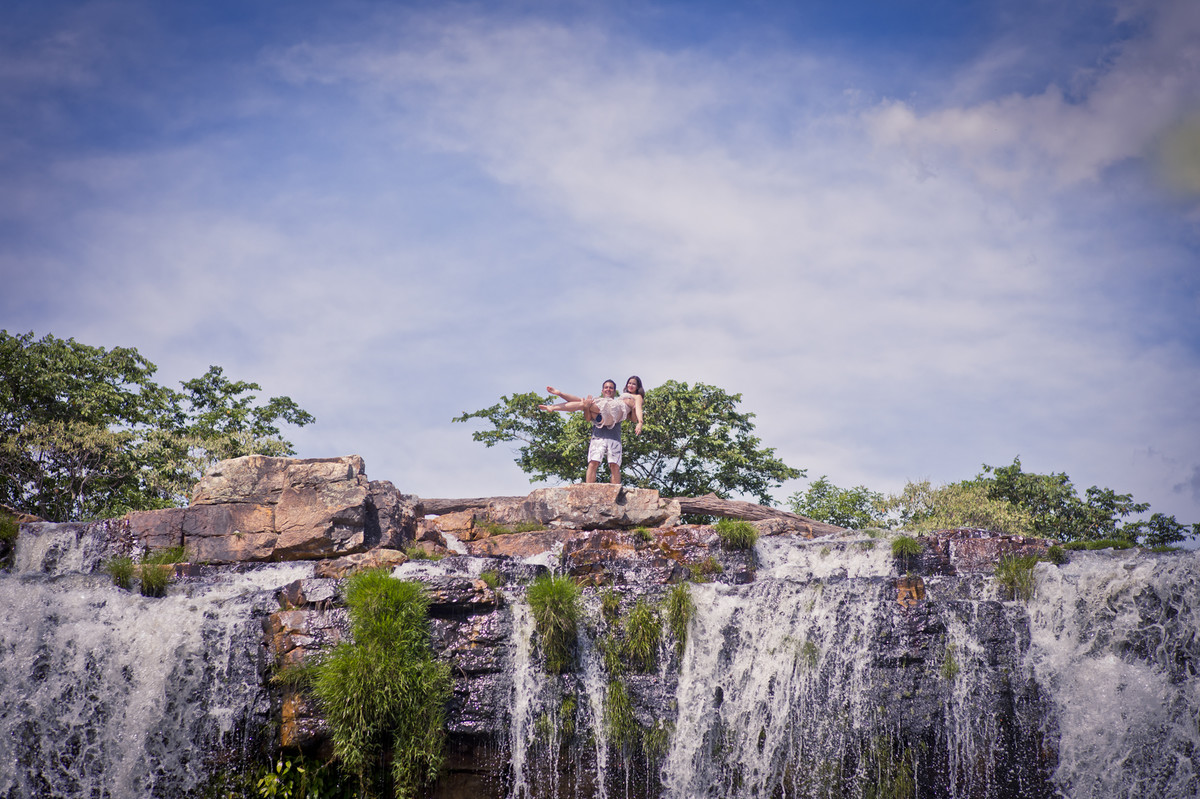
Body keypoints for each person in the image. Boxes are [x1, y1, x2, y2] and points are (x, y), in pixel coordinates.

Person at [540, 376, 645, 484]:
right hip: (605, 417)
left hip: (613, 416)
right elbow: (587, 418)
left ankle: (555, 404)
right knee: (584, 403)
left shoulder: (637, 397)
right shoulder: (622, 397)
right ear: (602, 390)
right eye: (629, 383)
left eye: (634, 384)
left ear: (638, 387)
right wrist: (587, 407)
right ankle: (556, 400)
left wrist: (640, 422)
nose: (630, 385)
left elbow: (638, 411)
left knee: (614, 465)